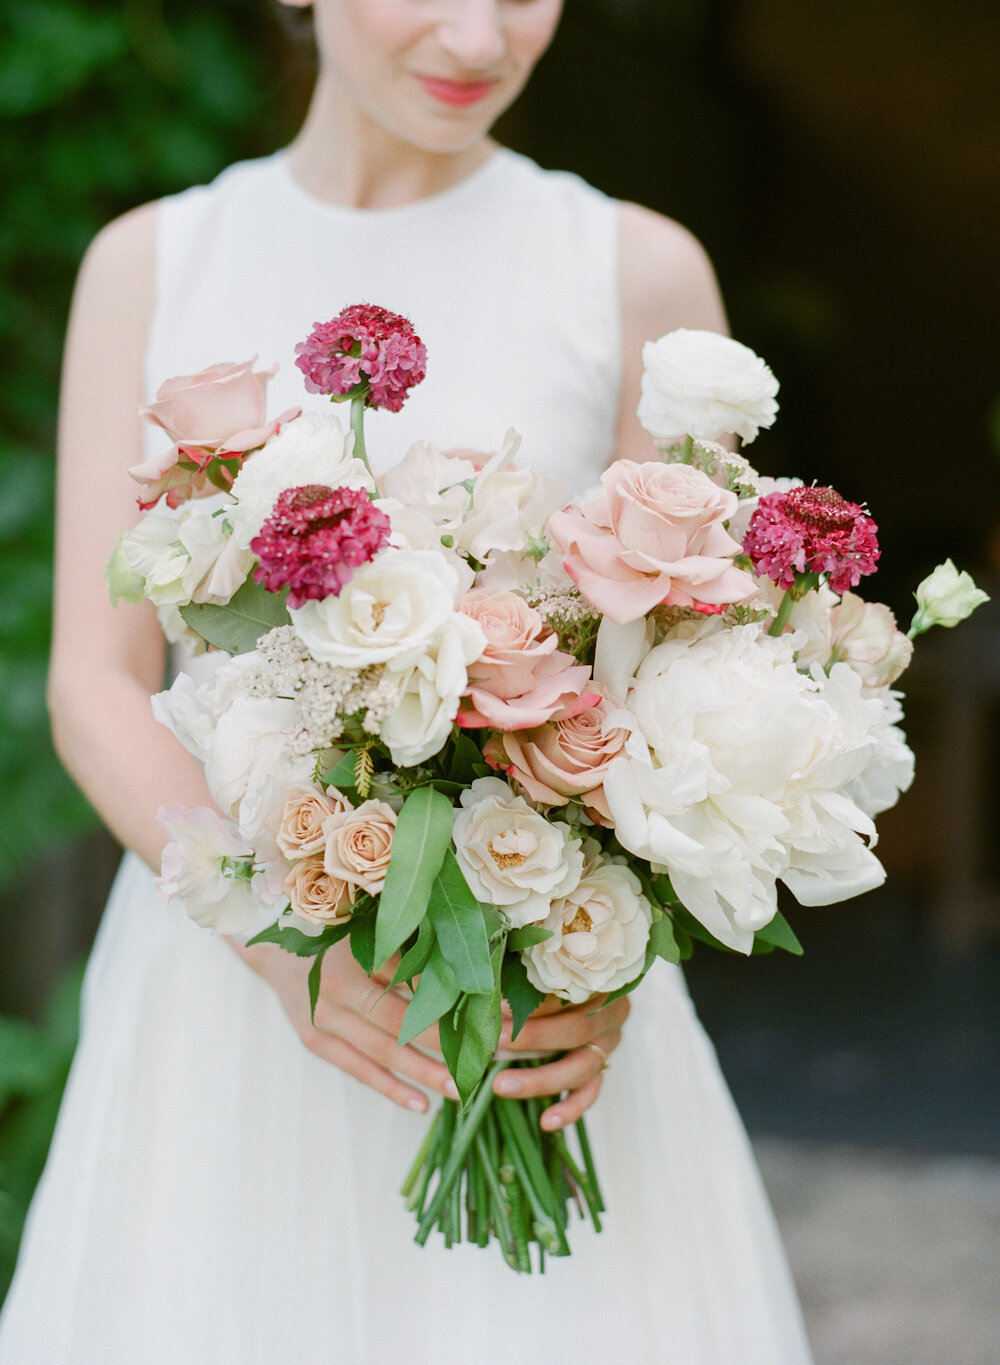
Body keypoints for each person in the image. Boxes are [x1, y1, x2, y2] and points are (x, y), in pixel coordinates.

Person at [0, 2, 814, 1360]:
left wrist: (611, 946)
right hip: (227, 1007)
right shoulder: (153, 263)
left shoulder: (636, 270)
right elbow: (96, 677)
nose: (482, 38)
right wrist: (277, 945)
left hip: (535, 1010)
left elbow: (691, 675)